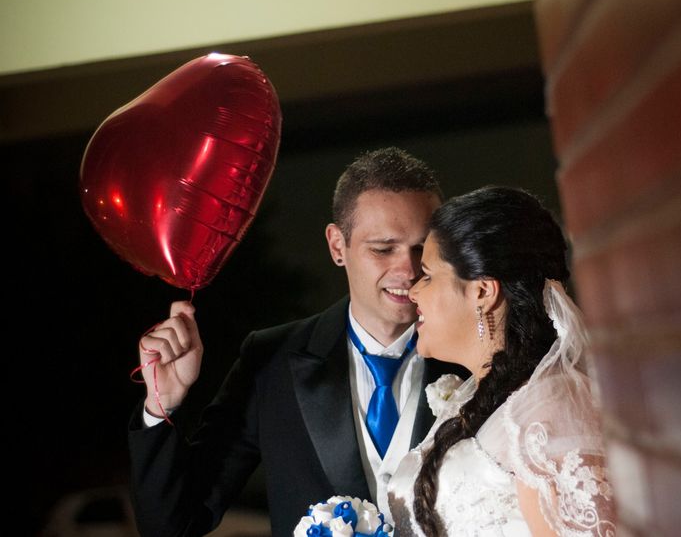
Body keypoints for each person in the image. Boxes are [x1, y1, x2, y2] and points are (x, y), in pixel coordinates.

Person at [127, 147, 466, 537]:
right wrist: (160, 405)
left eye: (421, 248)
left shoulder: (473, 360)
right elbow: (173, 524)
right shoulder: (270, 362)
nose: (406, 269)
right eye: (383, 249)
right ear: (338, 246)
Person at [387, 187, 616, 536]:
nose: (414, 291)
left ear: (482, 291)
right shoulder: (477, 398)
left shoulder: (548, 412)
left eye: (429, 276)